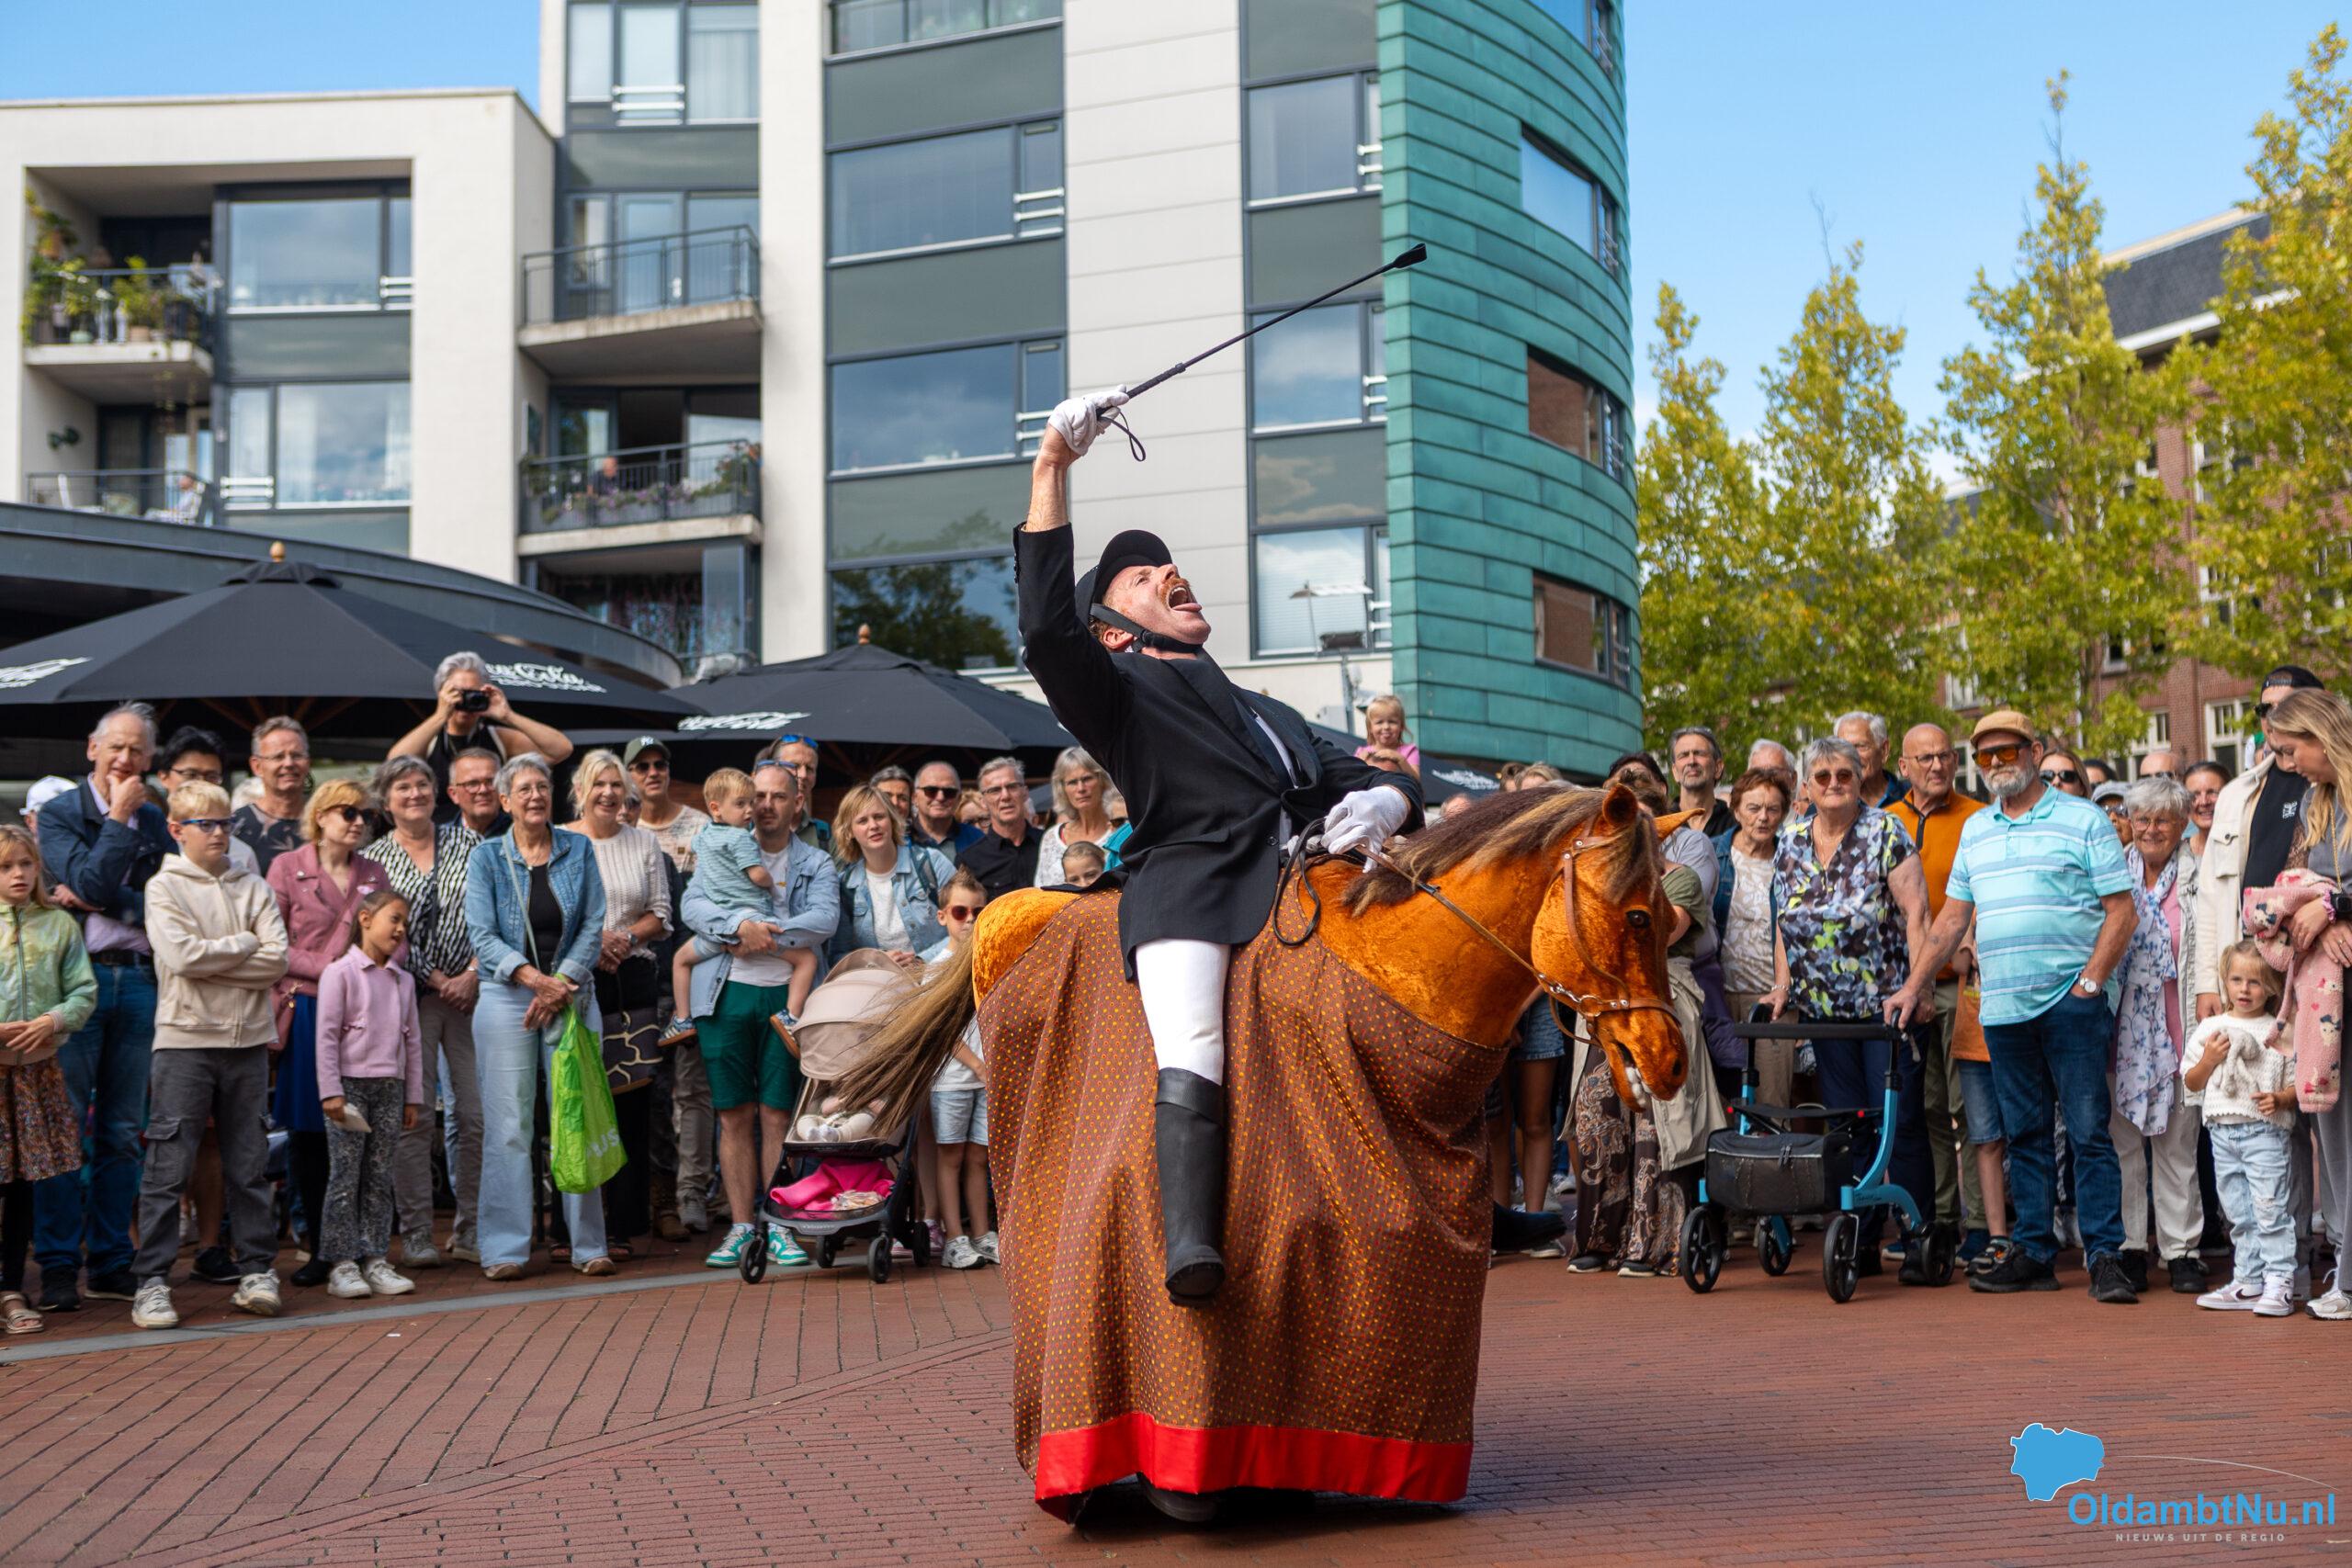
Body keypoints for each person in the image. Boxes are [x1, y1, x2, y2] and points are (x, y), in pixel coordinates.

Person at [1017, 391, 1429, 1306]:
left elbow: (1372, 766)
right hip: (1191, 891)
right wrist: (1053, 467)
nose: (1167, 574)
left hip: (1302, 883)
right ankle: (1192, 1238)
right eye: (1140, 577)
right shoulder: (1114, 687)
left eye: (1169, 565)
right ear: (1115, 627)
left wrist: (1386, 804)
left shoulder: (1266, 709)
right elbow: (1046, 629)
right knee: (1194, 1038)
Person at [1888, 710, 2139, 1303]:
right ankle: (2034, 1251)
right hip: (2003, 1007)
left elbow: (2121, 911)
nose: (1996, 764)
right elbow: (1952, 919)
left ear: (2034, 750)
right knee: (2023, 1134)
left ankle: (2105, 1256)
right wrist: (1916, 983)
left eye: (2007, 752)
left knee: (2087, 1133)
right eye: (1985, 756)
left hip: (2071, 1004)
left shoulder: (2082, 820)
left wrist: (2091, 984)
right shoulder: (1977, 829)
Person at [1761, 735, 1935, 1277]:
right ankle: (1857, 1234)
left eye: (1844, 775)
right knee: (1847, 1125)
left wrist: (1920, 988)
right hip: (1824, 1012)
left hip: (1887, 1009)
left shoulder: (1885, 830)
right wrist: (1782, 986)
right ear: (1807, 785)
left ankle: (1916, 1235)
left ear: (1861, 779)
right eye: (1823, 777)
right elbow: (1787, 924)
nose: (1834, 785)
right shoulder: (1789, 841)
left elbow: (1916, 914)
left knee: (1898, 1124)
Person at [33, 703, 173, 1314]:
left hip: (140, 981)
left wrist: (102, 893)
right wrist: (118, 820)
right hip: (79, 984)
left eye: (137, 750)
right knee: (65, 1128)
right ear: (92, 747)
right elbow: (89, 886)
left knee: (122, 1132)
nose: (125, 759)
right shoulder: (62, 813)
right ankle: (60, 1262)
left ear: (149, 756)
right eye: (115, 746)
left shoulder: (160, 813)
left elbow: (164, 894)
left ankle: (113, 1258)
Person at [132, 785, 288, 1329]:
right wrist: (244, 945)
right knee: (168, 1166)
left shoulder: (253, 885)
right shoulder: (163, 888)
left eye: (226, 823)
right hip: (185, 1039)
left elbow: (277, 963)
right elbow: (179, 956)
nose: (220, 832)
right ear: (177, 830)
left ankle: (257, 1271)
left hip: (247, 1043)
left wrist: (215, 959)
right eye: (206, 824)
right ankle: (151, 1281)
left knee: (250, 1165)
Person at [676, 760, 839, 1272]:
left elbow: (825, 919)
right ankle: (743, 1225)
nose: (765, 805)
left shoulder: (816, 862)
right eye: (758, 795)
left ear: (797, 804)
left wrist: (768, 934)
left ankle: (779, 1224)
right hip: (723, 997)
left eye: (777, 796)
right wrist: (736, 927)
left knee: (777, 1115)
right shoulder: (718, 847)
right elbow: (691, 905)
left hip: (786, 1003)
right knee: (732, 1114)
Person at [461, 753, 614, 1280]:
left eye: (541, 787)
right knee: (508, 1128)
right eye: (523, 789)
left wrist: (563, 983)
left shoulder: (580, 848)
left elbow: (595, 922)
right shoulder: (486, 859)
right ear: (504, 801)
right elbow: (482, 935)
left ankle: (588, 1244)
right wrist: (534, 980)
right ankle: (505, 1248)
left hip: (572, 995)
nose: (534, 796)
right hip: (507, 998)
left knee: (576, 1117)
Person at [268, 778, 394, 1289]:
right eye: (347, 812)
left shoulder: (375, 870)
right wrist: (335, 969)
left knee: (360, 1136)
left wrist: (366, 968)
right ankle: (319, 1246)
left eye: (365, 813)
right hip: (306, 1012)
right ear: (320, 815)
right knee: (310, 1135)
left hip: (363, 1017)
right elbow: (272, 944)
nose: (358, 821)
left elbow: (393, 936)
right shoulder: (286, 867)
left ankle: (362, 1247)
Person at [2253, 688, 2352, 1322]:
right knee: (2335, 1130)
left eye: (2292, 750)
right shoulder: (2320, 803)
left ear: (2321, 735)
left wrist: (2338, 907)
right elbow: (2295, 891)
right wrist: (2309, 915)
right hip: (2329, 992)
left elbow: (2333, 894)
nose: (2289, 763)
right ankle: (2346, 1264)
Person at [361, 755, 482, 1267]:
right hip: (406, 998)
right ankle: (415, 1234)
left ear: (437, 793)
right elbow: (378, 935)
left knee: (474, 1116)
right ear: (386, 803)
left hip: (473, 996)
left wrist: (472, 974)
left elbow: (494, 911)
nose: (414, 794)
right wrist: (435, 978)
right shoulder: (373, 860)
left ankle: (472, 1228)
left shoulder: (473, 844)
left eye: (422, 785)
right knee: (413, 1119)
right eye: (403, 788)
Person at [1887, 722, 1989, 1258]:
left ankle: (1975, 1222)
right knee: (1923, 1107)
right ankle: (1939, 1216)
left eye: (1945, 756)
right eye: (1924, 758)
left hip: (1960, 982)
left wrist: (1969, 947)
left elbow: (1982, 896)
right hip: (1905, 989)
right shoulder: (1885, 823)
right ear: (1902, 766)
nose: (1936, 766)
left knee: (1969, 1106)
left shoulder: (1978, 817)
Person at [564, 750, 673, 1256]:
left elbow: (662, 916)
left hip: (632, 979)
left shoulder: (645, 842)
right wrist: (594, 941)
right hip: (576, 981)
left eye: (614, 784)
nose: (607, 793)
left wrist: (622, 938)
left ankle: (626, 1224)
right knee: (579, 1100)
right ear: (581, 790)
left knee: (630, 1104)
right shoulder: (562, 842)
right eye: (597, 783)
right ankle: (579, 1226)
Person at [2109, 775, 2208, 1297]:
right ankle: (2129, 1247)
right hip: (2120, 1032)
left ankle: (2182, 1250)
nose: (2150, 829)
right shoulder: (2110, 873)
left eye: (2162, 820)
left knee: (2177, 1144)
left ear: (2180, 823)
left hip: (2177, 1029)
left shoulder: (2199, 874)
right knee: (2123, 1143)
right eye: (2141, 819)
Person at [0, 827, 93, 1337]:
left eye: (25, 865)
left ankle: (12, 1287)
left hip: (35, 1071)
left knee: (22, 1182)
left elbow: (82, 989)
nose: (17, 874)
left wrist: (54, 1020)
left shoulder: (58, 925)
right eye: (5, 866)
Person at [314, 890, 425, 1300]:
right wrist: (331, 1091)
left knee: (380, 1175)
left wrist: (412, 1096)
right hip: (350, 1087)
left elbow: (412, 1042)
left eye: (404, 923)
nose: (400, 929)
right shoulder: (339, 973)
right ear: (365, 919)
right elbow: (326, 1037)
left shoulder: (404, 980)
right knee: (345, 1175)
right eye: (394, 919)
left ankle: (375, 1256)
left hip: (390, 1088)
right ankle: (341, 1262)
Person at [2184, 942, 2297, 1316]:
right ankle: (2249, 1280)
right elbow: (2192, 1082)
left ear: (2272, 987)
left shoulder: (2279, 1030)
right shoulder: (2212, 1028)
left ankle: (2280, 1282)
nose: (2244, 989)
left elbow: (2298, 1083)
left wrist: (2280, 1099)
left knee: (2270, 1209)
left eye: (2255, 981)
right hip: (2222, 1134)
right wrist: (2209, 1059)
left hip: (2264, 1133)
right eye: (2236, 980)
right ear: (2225, 981)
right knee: (2238, 1213)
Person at [666, 769, 818, 1040]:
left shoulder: (703, 837)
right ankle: (792, 1017)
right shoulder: (740, 839)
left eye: (751, 802)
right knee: (806, 959)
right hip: (751, 919)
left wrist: (729, 927)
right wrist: (770, 884)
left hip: (720, 933)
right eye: (742, 803)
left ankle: (682, 1019)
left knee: (680, 960)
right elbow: (756, 874)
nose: (750, 810)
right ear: (715, 808)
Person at [389, 652, 576, 824]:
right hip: (441, 843)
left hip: (494, 837)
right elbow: (394, 764)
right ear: (442, 694)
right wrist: (440, 716)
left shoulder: (499, 738)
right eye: (458, 693)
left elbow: (561, 749)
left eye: (474, 693)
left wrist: (508, 715)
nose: (465, 700)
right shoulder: (429, 739)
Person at [1713, 768, 1790, 1097]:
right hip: (1719, 999)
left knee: (1772, 1101)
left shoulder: (1792, 857)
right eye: (1754, 808)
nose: (1763, 818)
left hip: (1773, 1002)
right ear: (1735, 809)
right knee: (1723, 1104)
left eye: (1773, 809)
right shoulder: (1712, 854)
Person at [929, 880, 993, 1270]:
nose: (970, 920)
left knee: (979, 1158)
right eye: (960, 912)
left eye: (979, 912)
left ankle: (983, 1235)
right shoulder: (937, 968)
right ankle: (954, 1237)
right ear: (943, 917)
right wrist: (977, 1065)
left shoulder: (991, 960)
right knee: (951, 1157)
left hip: (986, 1078)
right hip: (953, 1080)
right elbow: (942, 1031)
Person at [829, 784, 953, 966]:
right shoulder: (845, 887)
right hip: (882, 986)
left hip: (939, 979)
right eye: (862, 821)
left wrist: (922, 961)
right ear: (849, 832)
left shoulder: (931, 863)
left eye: (879, 817)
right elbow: (837, 956)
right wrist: (876, 961)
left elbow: (967, 923)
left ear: (892, 820)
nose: (873, 826)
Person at [153, 728, 259, 876]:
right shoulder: (147, 842)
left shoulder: (241, 855)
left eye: (211, 776)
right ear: (163, 777)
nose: (201, 784)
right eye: (191, 775)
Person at [1033, 748, 1123, 887]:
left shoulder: (1120, 832)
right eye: (1072, 782)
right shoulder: (1051, 838)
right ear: (1063, 789)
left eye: (1087, 779)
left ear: (1102, 781)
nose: (1081, 788)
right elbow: (1040, 893)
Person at [232, 716, 311, 873]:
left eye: (297, 755)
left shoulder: (326, 823)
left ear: (308, 762)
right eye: (278, 757)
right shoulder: (236, 827)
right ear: (257, 766)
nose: (289, 764)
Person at [957, 757, 1042, 899]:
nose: (1005, 796)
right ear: (983, 802)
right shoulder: (969, 861)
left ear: (1025, 793)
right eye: (995, 790)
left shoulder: (1049, 843)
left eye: (1012, 786)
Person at [627, 738, 708, 874]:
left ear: (668, 771)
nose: (653, 773)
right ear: (628, 775)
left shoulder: (700, 825)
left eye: (660, 765)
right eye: (643, 767)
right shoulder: (624, 827)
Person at [757, 735, 829, 852]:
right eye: (794, 766)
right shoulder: (743, 829)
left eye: (810, 769)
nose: (803, 775)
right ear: (772, 767)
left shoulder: (824, 835)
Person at [1831, 712, 1905, 809]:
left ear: (1884, 750)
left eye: (1861, 746)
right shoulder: (1825, 808)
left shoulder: (1912, 798)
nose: (1852, 755)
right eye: (1844, 748)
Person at [908, 761, 982, 857]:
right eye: (931, 791)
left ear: (958, 799)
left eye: (949, 792)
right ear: (915, 798)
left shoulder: (977, 839)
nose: (940, 797)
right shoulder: (898, 840)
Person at [1669, 727, 1734, 836]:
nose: (1691, 762)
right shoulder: (1661, 824)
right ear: (1675, 772)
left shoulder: (1736, 824)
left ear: (1718, 768)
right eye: (1683, 755)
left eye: (1699, 754)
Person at [444, 748, 509, 841]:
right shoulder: (440, 840)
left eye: (491, 781)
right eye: (472, 784)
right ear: (454, 794)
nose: (483, 790)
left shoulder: (520, 833)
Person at [1355, 695, 1422, 779]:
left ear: (1401, 726)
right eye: (1379, 722)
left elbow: (1416, 780)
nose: (1386, 727)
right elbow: (1353, 780)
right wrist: (1360, 763)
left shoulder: (1409, 751)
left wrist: (1400, 760)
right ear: (1370, 728)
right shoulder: (1362, 753)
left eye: (1392, 722)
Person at [2185, 761, 2231, 859]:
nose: (2204, 802)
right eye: (2195, 795)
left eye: (2212, 792)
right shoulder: (2178, 853)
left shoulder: (2245, 847)